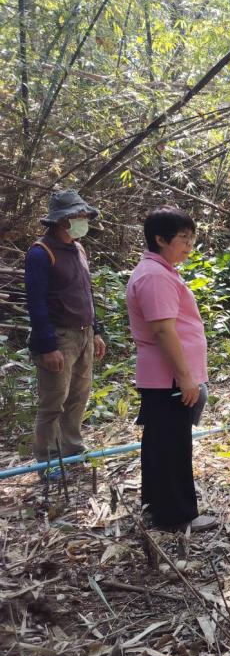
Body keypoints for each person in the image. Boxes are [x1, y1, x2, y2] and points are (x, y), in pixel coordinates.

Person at [126, 207, 215, 532]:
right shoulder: (154, 276)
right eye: (183, 239)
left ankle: (157, 507)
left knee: (162, 443)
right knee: (173, 445)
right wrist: (186, 376)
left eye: (192, 239)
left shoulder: (161, 271)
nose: (189, 246)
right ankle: (177, 515)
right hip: (168, 377)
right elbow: (163, 331)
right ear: (160, 239)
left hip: (166, 376)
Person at [25, 190, 106, 478]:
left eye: (84, 216)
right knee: (53, 400)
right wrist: (47, 346)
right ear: (62, 220)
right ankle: (47, 461)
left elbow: (86, 292)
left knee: (78, 396)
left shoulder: (78, 249)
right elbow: (36, 303)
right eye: (78, 216)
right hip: (59, 337)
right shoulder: (40, 252)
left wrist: (96, 330)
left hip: (83, 334)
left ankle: (72, 450)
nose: (83, 221)